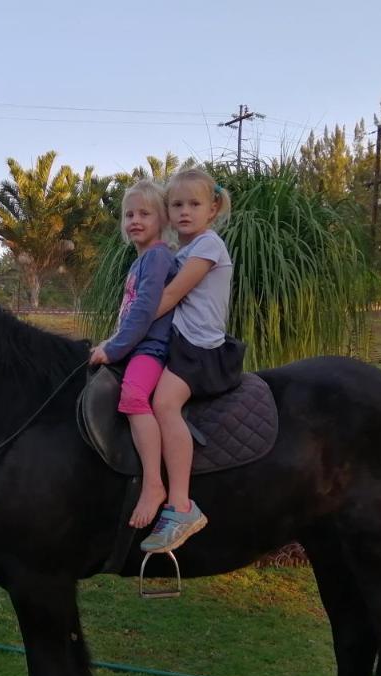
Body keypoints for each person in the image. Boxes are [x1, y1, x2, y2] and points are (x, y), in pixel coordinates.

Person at [140, 169, 245, 553]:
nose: (185, 212)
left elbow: (167, 299)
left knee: (164, 404)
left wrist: (128, 329)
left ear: (212, 209)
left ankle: (181, 505)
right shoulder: (180, 251)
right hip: (180, 344)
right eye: (177, 205)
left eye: (194, 204)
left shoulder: (207, 247)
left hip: (201, 351)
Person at [90, 180, 179, 527]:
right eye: (129, 214)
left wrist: (113, 348)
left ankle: (154, 485)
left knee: (133, 397)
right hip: (135, 346)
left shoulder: (157, 257)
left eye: (145, 213)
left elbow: (143, 313)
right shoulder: (140, 261)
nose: (135, 220)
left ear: (162, 220)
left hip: (150, 349)